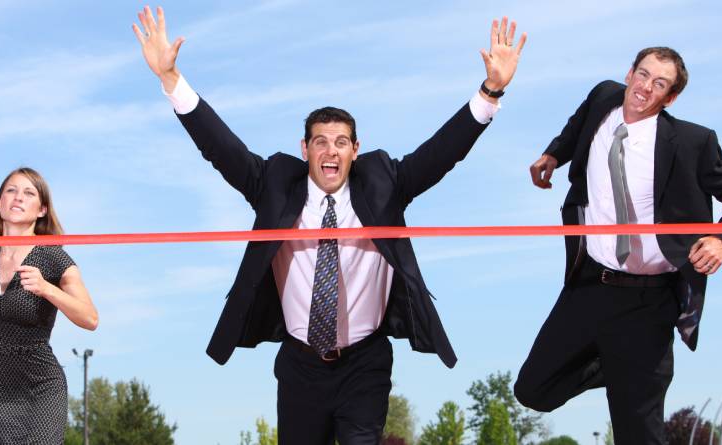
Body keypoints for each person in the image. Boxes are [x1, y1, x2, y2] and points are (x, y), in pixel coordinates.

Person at [133, 7, 525, 444]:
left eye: (340, 142)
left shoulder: (385, 183)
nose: (330, 151)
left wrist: (490, 91)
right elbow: (220, 147)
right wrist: (171, 79)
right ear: (305, 150)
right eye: (320, 142)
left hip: (365, 362)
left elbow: (442, 153)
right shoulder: (273, 184)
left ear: (356, 149)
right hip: (300, 365)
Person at [514, 47, 722, 443]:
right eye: (643, 74)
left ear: (671, 98)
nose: (646, 87)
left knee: (638, 434)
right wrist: (554, 155)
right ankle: (616, 365)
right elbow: (578, 126)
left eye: (659, 84)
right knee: (533, 390)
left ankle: (630, 369)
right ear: (629, 73)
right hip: (590, 286)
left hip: (649, 301)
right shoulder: (603, 98)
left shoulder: (692, 142)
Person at [0, 167, 98, 444]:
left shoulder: (54, 257)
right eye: (11, 190)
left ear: (42, 210)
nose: (18, 197)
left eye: (29, 193)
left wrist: (46, 288)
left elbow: (90, 318)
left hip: (39, 385)